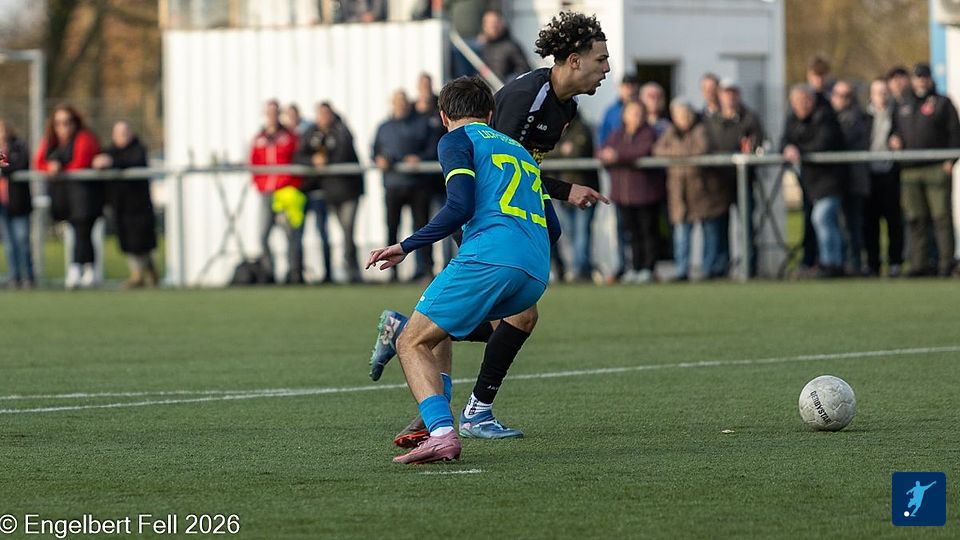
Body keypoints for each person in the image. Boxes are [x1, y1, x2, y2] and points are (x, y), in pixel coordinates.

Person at [370, 11, 609, 448]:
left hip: (509, 224)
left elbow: (520, 169)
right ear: (574, 60)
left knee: (514, 316)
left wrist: (557, 200)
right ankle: (460, 410)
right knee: (512, 315)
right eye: (601, 59)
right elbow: (492, 166)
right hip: (485, 222)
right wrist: (560, 193)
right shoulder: (524, 97)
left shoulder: (566, 108)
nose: (607, 68)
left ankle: (427, 371)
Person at [365, 76, 560, 464]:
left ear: (443, 116)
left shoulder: (455, 140)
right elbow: (553, 227)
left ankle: (441, 433)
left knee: (412, 342)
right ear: (490, 113)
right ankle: (436, 412)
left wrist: (405, 246)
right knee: (441, 324)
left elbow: (459, 207)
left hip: (490, 257)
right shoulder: (521, 152)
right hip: (535, 270)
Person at [891, 63, 960, 277]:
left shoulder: (942, 103)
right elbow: (895, 131)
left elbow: (954, 133)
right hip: (910, 169)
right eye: (918, 77)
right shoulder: (903, 104)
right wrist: (894, 140)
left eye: (924, 76)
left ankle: (946, 263)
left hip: (936, 167)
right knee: (915, 218)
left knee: (941, 217)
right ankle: (919, 264)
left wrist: (950, 160)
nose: (921, 80)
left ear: (930, 79)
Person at [655, 98, 730, 281]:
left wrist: (676, 154)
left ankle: (708, 269)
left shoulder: (701, 129)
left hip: (701, 190)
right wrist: (684, 154)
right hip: (678, 192)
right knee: (681, 234)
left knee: (708, 231)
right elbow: (657, 150)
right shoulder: (671, 132)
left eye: (685, 114)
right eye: (678, 115)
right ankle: (682, 270)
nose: (682, 118)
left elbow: (701, 149)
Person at [34, 104, 104, 289]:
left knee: (83, 231)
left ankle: (78, 269)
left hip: (85, 195)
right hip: (65, 197)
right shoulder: (51, 141)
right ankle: (87, 269)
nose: (63, 127)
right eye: (58, 123)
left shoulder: (84, 138)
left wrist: (60, 169)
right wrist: (49, 167)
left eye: (67, 122)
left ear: (75, 122)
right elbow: (39, 162)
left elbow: (80, 162)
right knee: (79, 232)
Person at [781, 85, 847, 278]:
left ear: (811, 101)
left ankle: (831, 262)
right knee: (823, 221)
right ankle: (830, 261)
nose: (800, 106)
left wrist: (799, 149)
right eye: (796, 102)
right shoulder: (792, 119)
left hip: (830, 179)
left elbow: (823, 143)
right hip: (810, 182)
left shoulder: (825, 116)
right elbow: (784, 140)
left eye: (804, 101)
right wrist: (787, 148)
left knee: (822, 218)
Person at [295, 102, 364, 283]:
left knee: (348, 232)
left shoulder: (342, 131)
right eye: (320, 114)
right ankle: (330, 272)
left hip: (348, 191)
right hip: (328, 192)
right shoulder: (311, 132)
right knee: (329, 232)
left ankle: (353, 271)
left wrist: (326, 160)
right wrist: (313, 160)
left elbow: (343, 153)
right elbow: (299, 156)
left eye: (326, 114)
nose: (324, 118)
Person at [373, 90, 437, 282]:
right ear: (392, 104)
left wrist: (420, 158)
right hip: (393, 185)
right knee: (392, 228)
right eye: (397, 102)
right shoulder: (383, 127)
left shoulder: (422, 124)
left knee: (422, 228)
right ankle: (391, 271)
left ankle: (425, 269)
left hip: (418, 184)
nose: (400, 105)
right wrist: (380, 159)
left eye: (403, 102)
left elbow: (433, 148)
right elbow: (374, 151)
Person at [704, 79, 765, 277]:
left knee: (746, 226)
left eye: (733, 92)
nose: (729, 97)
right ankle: (720, 268)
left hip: (744, 180)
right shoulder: (711, 120)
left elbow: (759, 144)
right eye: (725, 92)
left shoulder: (749, 118)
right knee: (719, 226)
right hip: (719, 182)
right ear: (719, 95)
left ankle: (749, 267)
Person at [598, 100, 663, 283]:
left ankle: (648, 268)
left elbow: (641, 151)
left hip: (645, 194)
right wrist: (607, 155)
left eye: (639, 112)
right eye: (632, 112)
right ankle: (635, 267)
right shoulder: (616, 134)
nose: (636, 116)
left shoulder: (649, 133)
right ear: (624, 116)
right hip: (623, 195)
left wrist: (617, 156)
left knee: (648, 232)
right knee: (632, 234)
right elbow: (603, 151)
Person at [92, 121, 158, 288]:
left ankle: (145, 273)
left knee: (141, 241)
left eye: (125, 133)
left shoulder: (138, 149)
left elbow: (131, 161)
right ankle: (139, 274)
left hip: (139, 206)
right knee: (128, 242)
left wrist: (111, 162)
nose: (122, 136)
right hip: (120, 205)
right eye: (119, 133)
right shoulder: (110, 151)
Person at [249, 99, 303, 284]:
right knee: (263, 235)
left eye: (275, 112)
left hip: (284, 193)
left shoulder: (289, 137)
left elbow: (297, 159)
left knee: (290, 235)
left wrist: (290, 183)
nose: (272, 116)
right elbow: (254, 164)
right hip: (266, 193)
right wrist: (260, 184)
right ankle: (268, 272)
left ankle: (293, 273)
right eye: (269, 112)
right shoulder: (259, 138)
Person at [542, 111, 599, 282]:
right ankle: (572, 269)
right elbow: (543, 154)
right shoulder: (554, 129)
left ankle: (580, 271)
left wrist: (555, 151)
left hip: (580, 190)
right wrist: (561, 150)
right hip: (562, 193)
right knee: (567, 234)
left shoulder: (581, 128)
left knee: (581, 235)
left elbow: (576, 151)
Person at [864, 78, 904, 277]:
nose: (882, 96)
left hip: (890, 175)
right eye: (878, 92)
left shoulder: (898, 116)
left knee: (894, 221)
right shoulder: (863, 118)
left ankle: (895, 262)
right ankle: (873, 264)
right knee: (870, 223)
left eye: (885, 92)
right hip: (869, 176)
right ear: (871, 95)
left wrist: (900, 140)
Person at [831, 80, 871, 276]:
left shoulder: (856, 118)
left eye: (847, 96)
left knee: (852, 225)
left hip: (853, 181)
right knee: (835, 224)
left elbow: (840, 140)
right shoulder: (829, 116)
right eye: (839, 95)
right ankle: (837, 262)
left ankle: (853, 264)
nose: (843, 100)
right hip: (833, 181)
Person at [0, 120, 34, 288]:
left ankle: (28, 276)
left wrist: (4, 168)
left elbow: (19, 164)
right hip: (2, 205)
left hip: (19, 202)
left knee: (22, 240)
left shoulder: (18, 145)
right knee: (8, 242)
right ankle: (14, 276)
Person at [477, 9, 532, 83]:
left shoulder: (511, 46)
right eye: (488, 23)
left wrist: (509, 83)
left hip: (504, 87)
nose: (492, 26)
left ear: (502, 24)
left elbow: (525, 70)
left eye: (495, 22)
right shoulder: (482, 47)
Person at [597, 73, 640, 153]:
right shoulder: (610, 112)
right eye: (627, 86)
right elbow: (602, 137)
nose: (630, 90)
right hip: (614, 154)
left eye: (632, 86)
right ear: (621, 87)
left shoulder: (644, 109)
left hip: (636, 152)